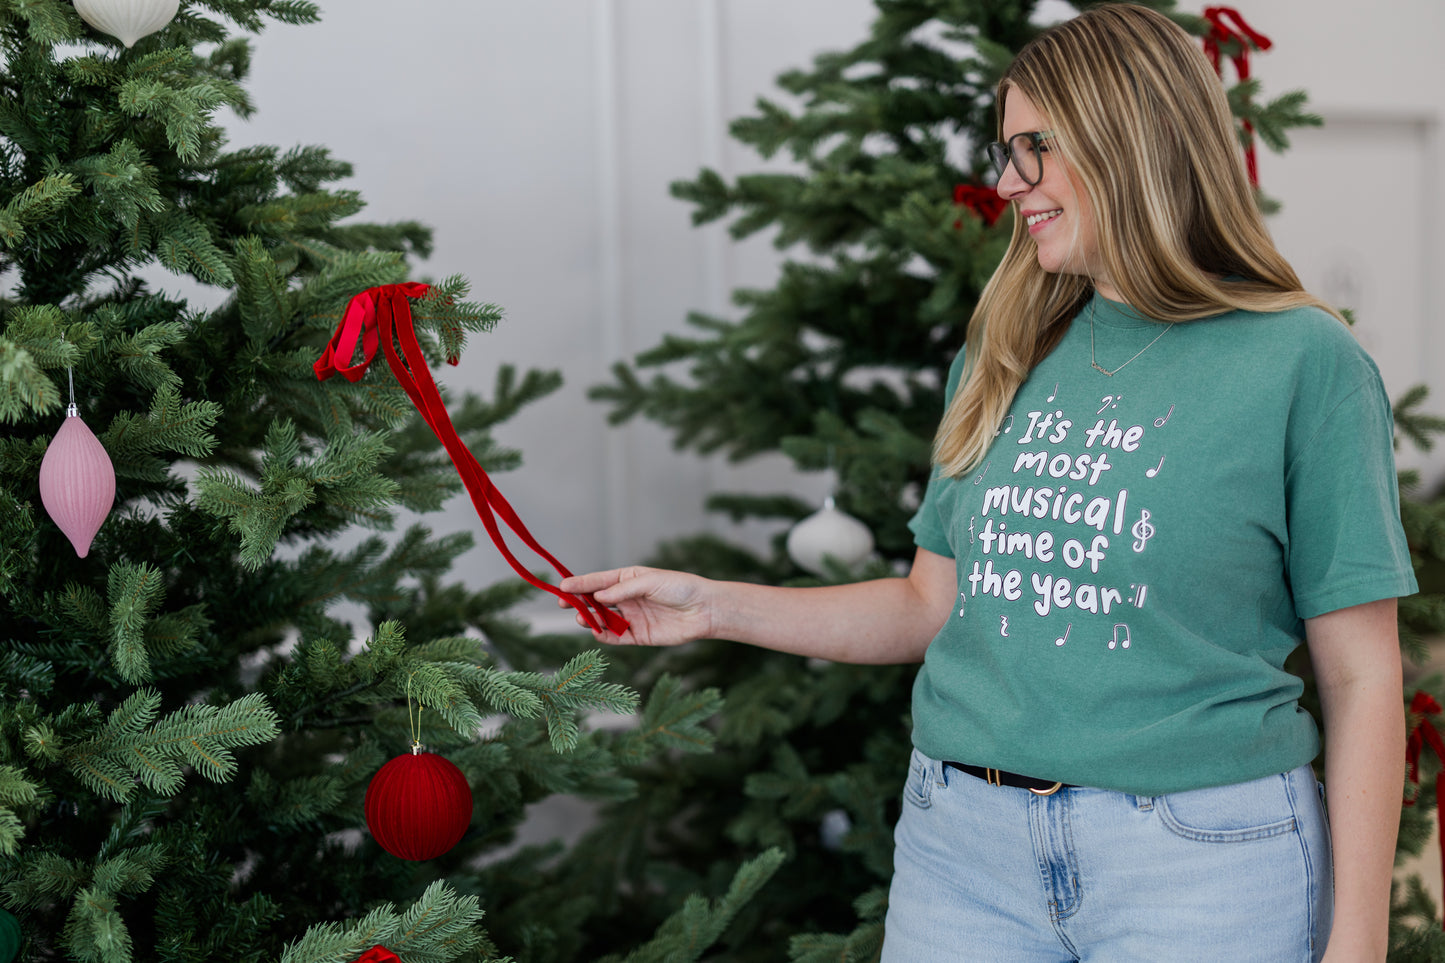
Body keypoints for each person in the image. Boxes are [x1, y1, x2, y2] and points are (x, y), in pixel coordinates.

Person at [562, 5, 1415, 960]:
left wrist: (1359, 940)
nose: (1006, 183)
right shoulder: (1007, 344)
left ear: (1124, 134)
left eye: (1030, 150)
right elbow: (931, 604)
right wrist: (710, 606)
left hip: (1203, 860)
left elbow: (1360, 673)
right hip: (962, 849)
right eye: (1001, 152)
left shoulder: (1303, 361)